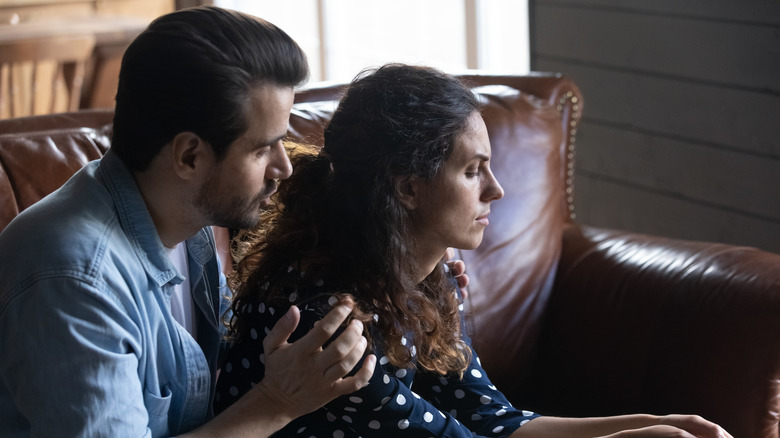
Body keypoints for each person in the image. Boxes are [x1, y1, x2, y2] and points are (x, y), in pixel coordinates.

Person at [214, 64, 732, 438]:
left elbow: (496, 422)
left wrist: (659, 422)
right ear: (407, 188)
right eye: (471, 170)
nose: (496, 190)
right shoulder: (329, 318)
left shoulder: (425, 281)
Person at [0, 6, 377, 437]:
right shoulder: (74, 279)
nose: (283, 167)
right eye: (262, 150)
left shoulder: (185, 221)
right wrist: (278, 402)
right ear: (189, 157)